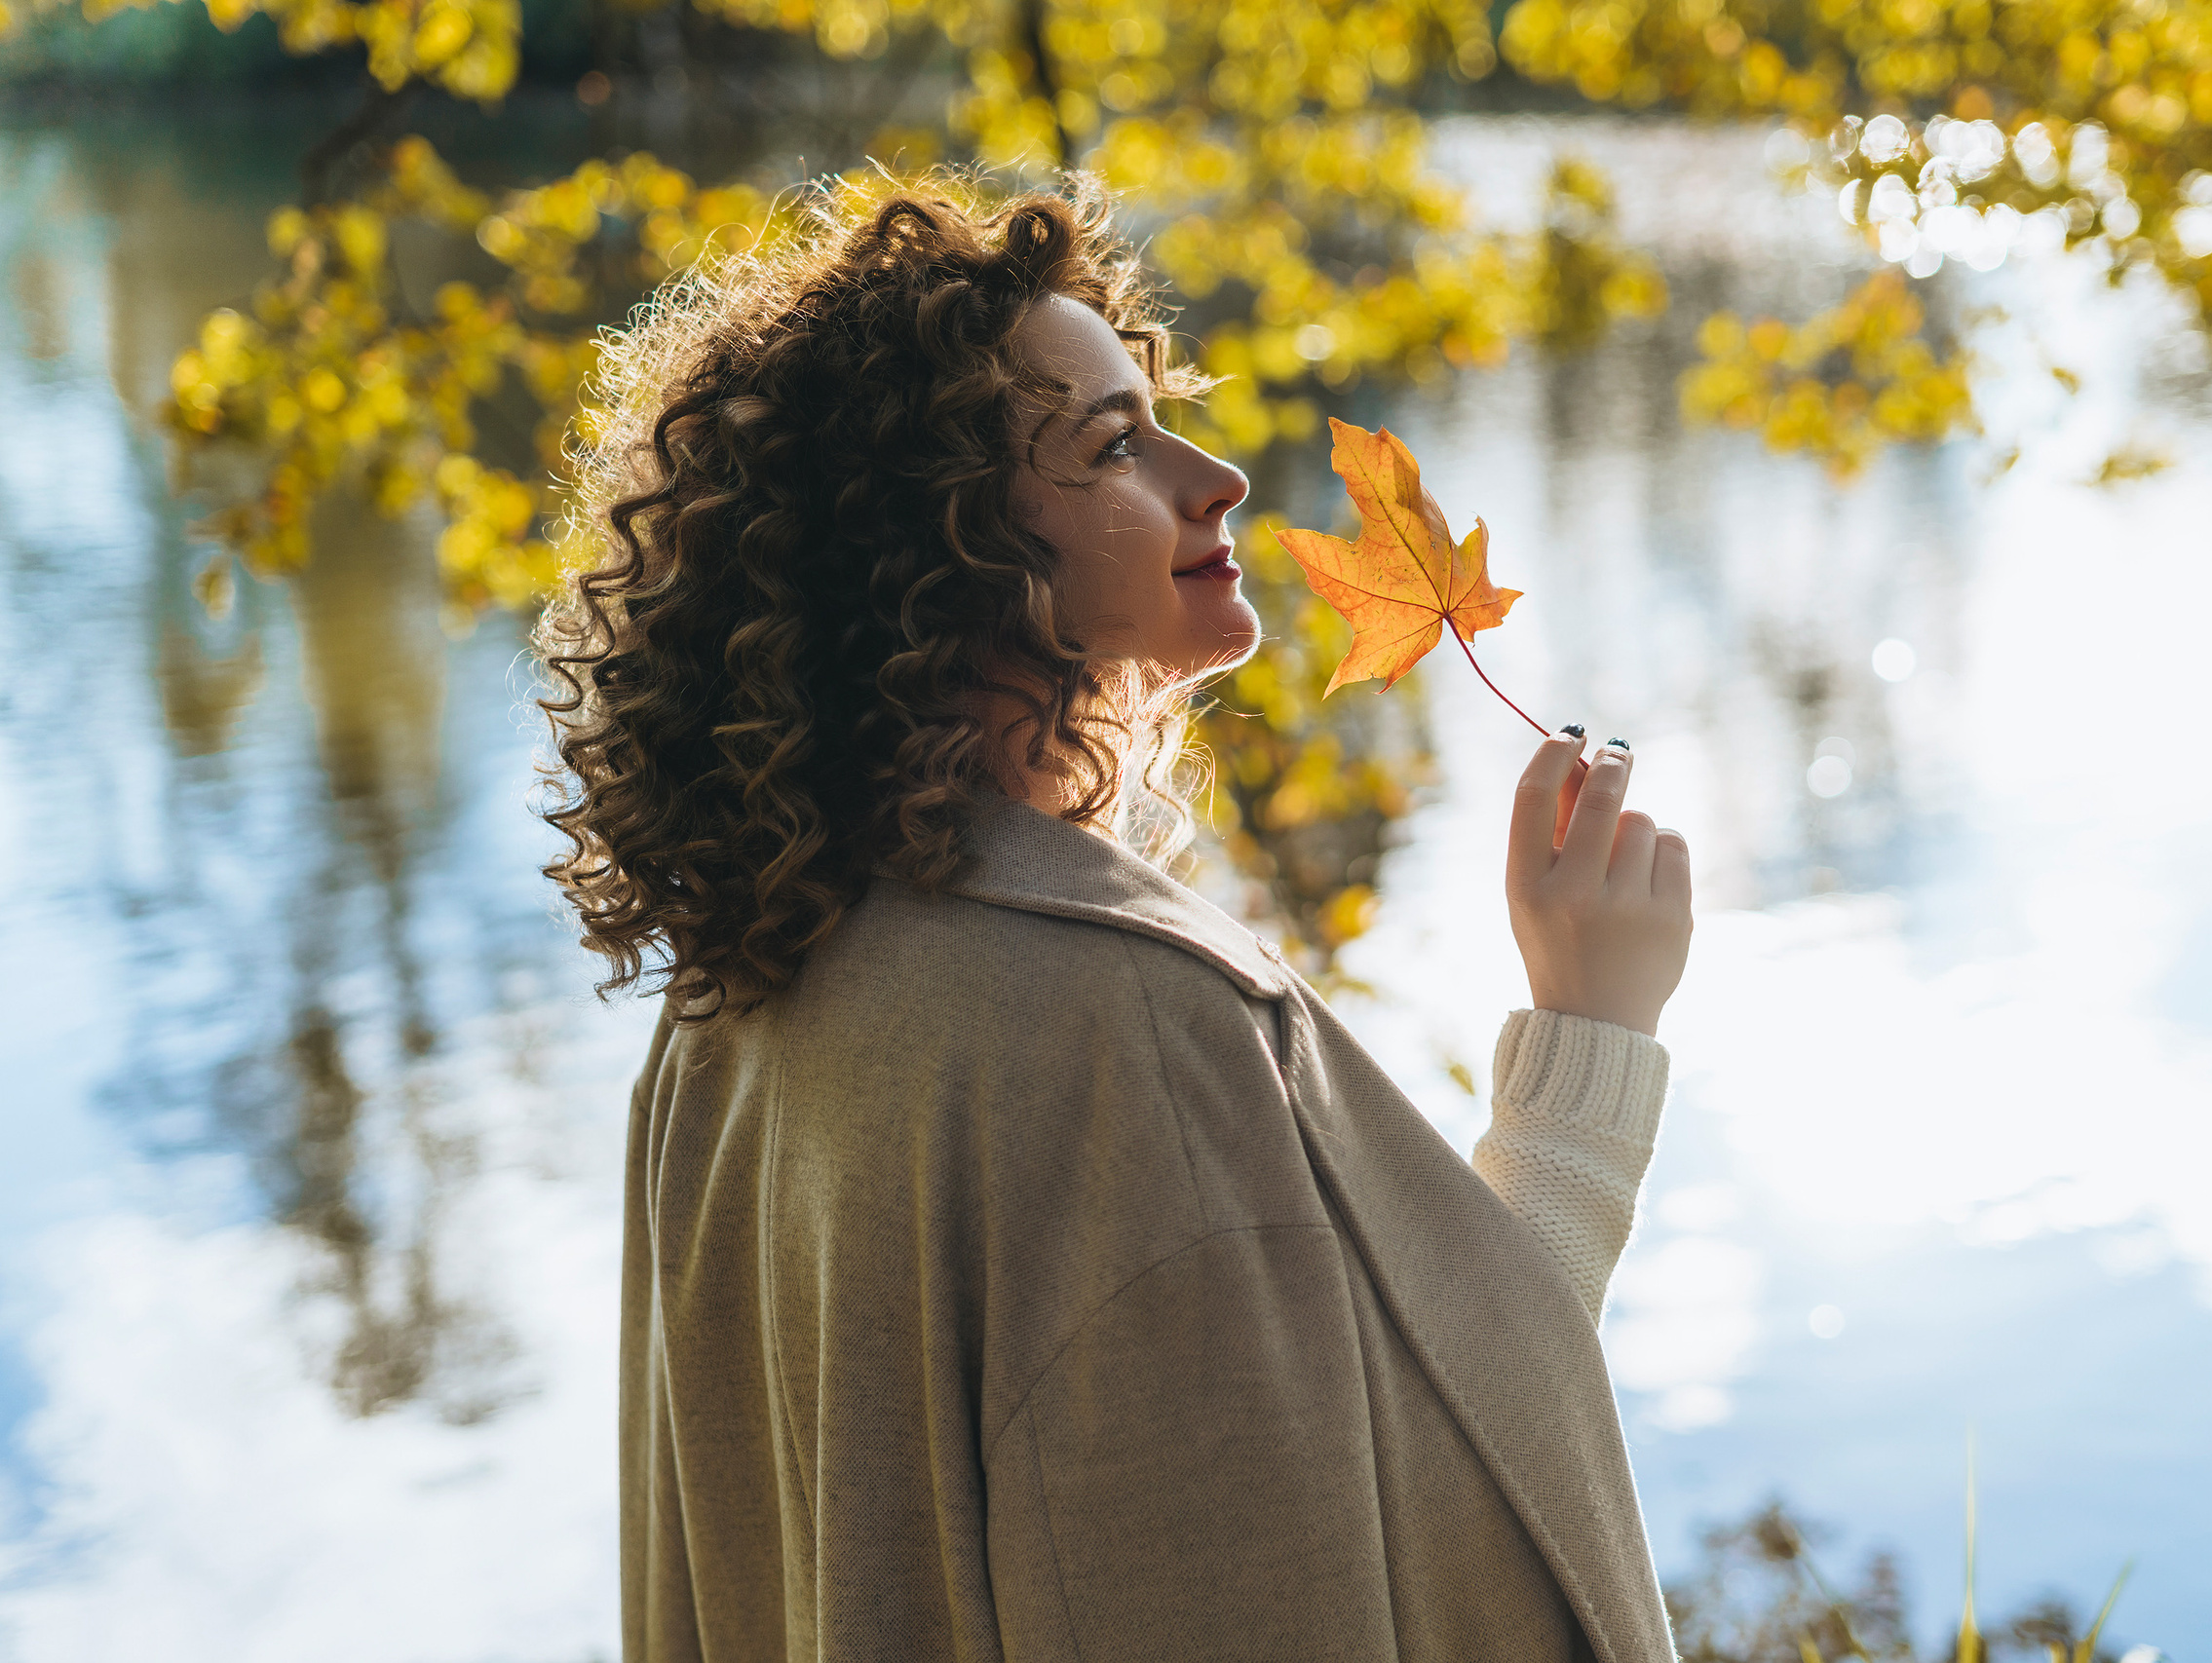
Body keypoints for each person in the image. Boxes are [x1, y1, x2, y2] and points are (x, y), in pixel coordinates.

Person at [536, 169, 1695, 1663]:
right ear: (935, 549)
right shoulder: (1128, 1031)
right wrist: (1595, 1038)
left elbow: (1357, 1472)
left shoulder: (737, 1010)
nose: (1215, 477)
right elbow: (1435, 1529)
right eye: (1113, 445)